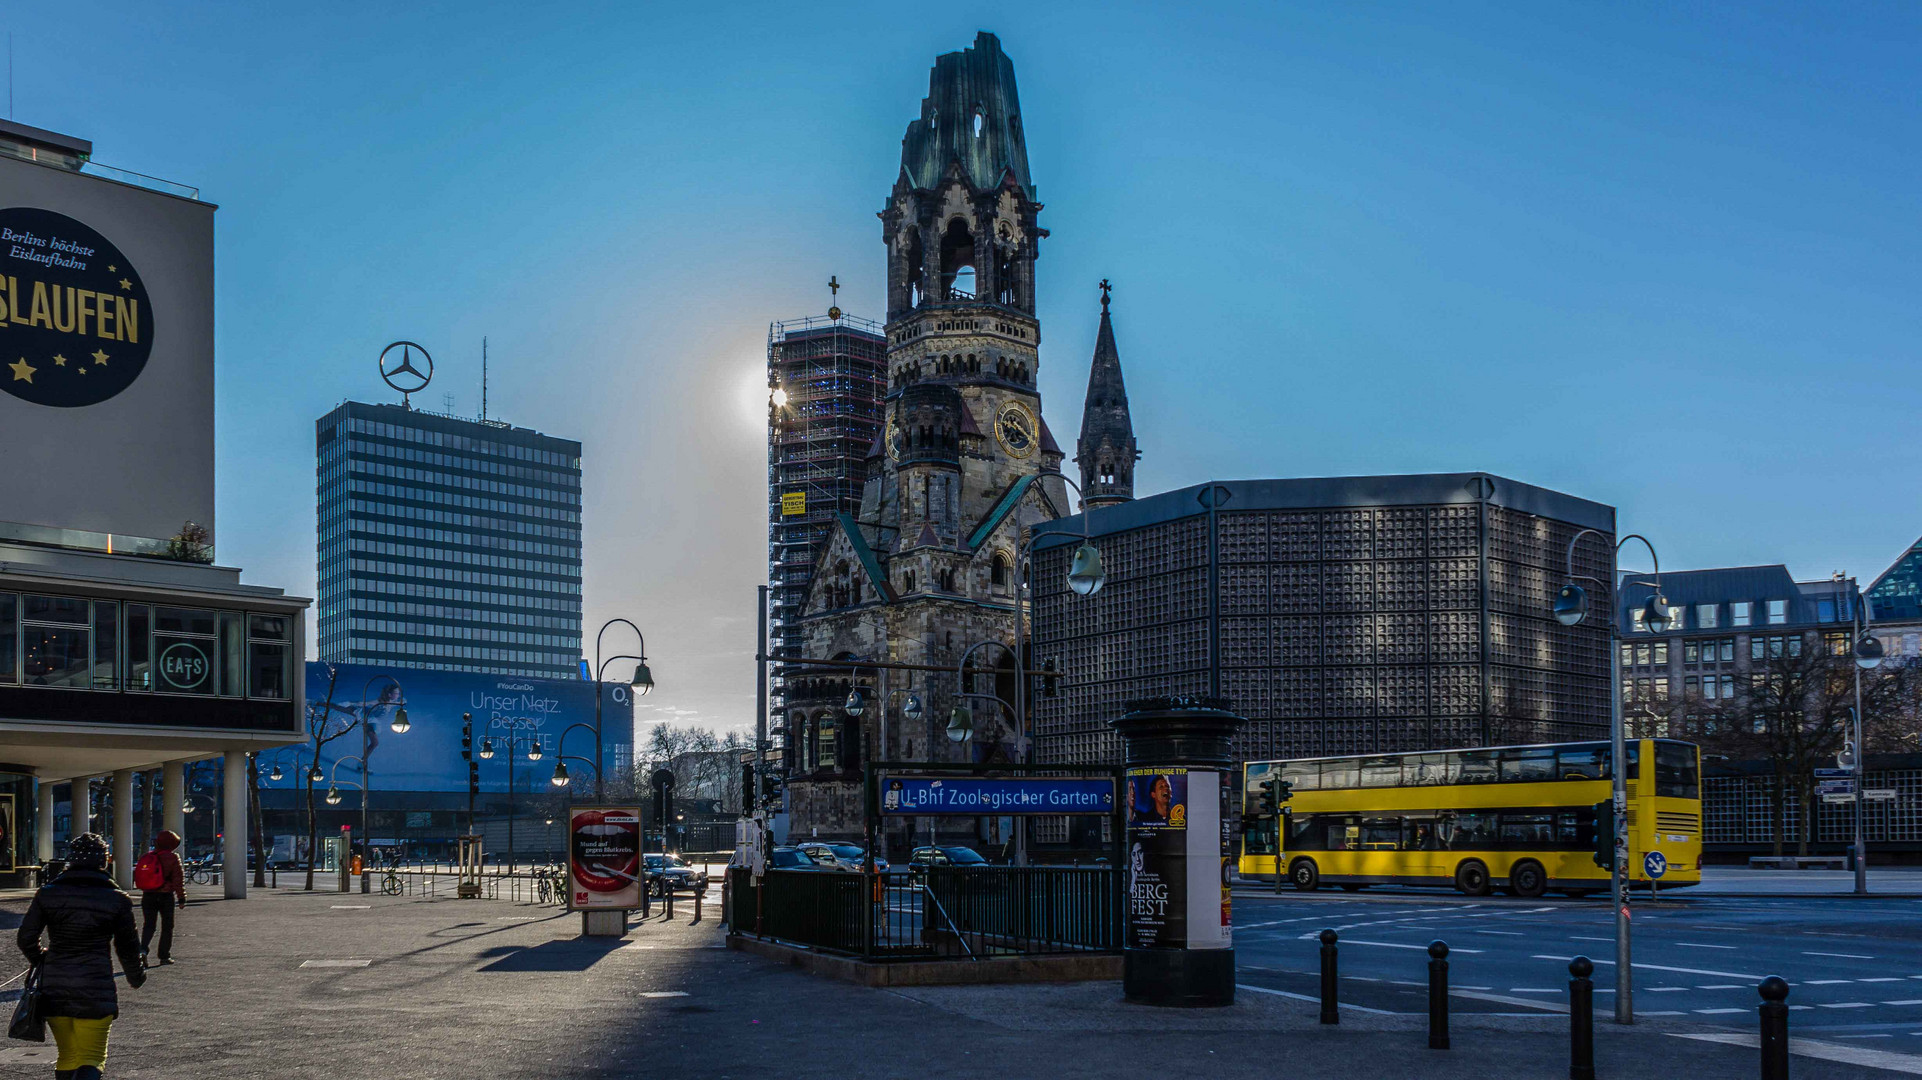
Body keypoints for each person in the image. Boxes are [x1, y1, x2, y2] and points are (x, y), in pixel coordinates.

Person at [17, 833, 145, 1080]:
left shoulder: (48, 893)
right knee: (92, 1056)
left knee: (67, 1055)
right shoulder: (117, 899)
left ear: (71, 860)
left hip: (54, 985)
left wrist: (41, 958)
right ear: (104, 861)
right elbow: (127, 946)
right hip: (96, 986)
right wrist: (136, 976)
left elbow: (26, 938)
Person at [136, 830, 186, 965]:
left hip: (148, 895)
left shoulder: (148, 856)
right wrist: (181, 898)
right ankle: (164, 956)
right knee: (167, 926)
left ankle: (143, 950)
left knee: (149, 925)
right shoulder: (173, 858)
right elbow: (178, 880)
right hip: (165, 896)